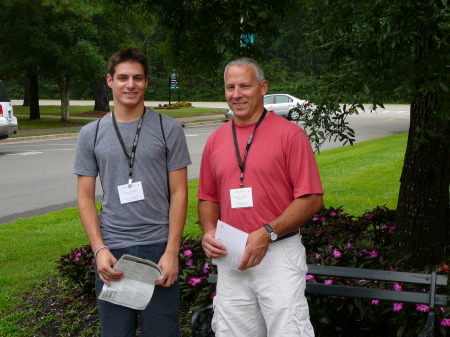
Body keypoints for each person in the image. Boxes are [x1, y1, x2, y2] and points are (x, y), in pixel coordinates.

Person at [198, 57, 324, 337]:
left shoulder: (290, 135)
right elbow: (208, 197)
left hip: (278, 252)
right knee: (231, 332)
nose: (236, 94)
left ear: (263, 87)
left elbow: (312, 198)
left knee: (288, 331)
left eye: (245, 86)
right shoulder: (216, 140)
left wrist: (267, 232)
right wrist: (208, 231)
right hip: (232, 256)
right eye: (230, 87)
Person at [73, 48, 191, 337]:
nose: (131, 84)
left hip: (157, 250)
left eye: (138, 78)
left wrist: (171, 251)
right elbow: (85, 197)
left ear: (147, 82)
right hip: (112, 253)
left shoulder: (168, 128)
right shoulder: (91, 133)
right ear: (110, 81)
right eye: (123, 77)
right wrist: (99, 250)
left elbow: (179, 193)